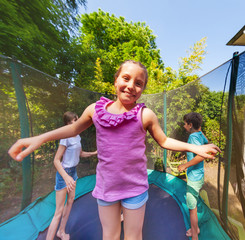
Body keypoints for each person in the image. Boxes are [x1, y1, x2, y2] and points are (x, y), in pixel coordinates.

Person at [8, 60, 220, 240]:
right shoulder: (95, 111)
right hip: (107, 187)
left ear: (143, 89)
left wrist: (196, 148)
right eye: (126, 78)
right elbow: (73, 128)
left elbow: (164, 141)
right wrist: (39, 139)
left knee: (133, 236)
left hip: (134, 188)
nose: (131, 86)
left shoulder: (145, 115)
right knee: (109, 235)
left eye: (138, 83)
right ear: (116, 80)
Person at [46, 111, 97, 240]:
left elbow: (81, 154)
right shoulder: (66, 137)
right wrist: (66, 177)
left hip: (73, 172)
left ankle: (61, 232)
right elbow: (56, 160)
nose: (78, 121)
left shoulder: (77, 136)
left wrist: (94, 153)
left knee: (70, 201)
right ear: (69, 123)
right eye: (75, 120)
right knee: (58, 211)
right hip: (65, 173)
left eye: (77, 119)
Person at [178, 112, 209, 240]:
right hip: (199, 175)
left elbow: (201, 156)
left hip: (194, 178)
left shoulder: (193, 137)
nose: (184, 126)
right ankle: (195, 229)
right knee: (193, 204)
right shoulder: (200, 135)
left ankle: (195, 234)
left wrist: (185, 165)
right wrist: (200, 129)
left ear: (190, 125)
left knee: (192, 208)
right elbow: (206, 143)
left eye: (185, 124)